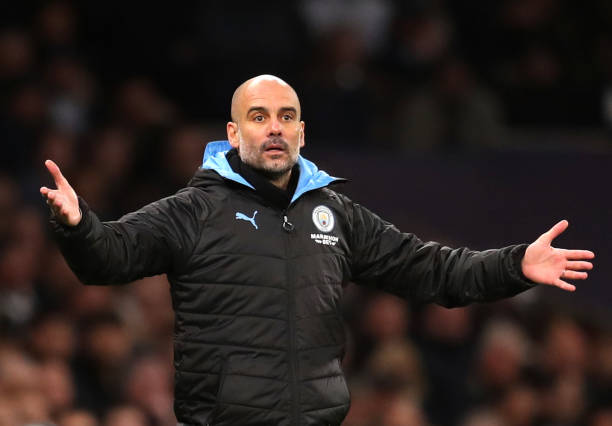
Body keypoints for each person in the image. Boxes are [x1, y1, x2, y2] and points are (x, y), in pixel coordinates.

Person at [40, 75, 595, 426]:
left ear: (301, 132)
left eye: (285, 118)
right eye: (259, 117)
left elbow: (433, 271)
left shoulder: (334, 211)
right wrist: (78, 224)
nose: (274, 129)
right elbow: (108, 258)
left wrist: (515, 264)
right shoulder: (195, 210)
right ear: (233, 134)